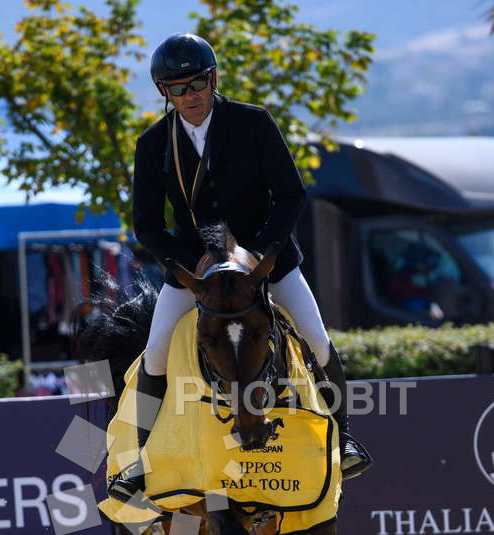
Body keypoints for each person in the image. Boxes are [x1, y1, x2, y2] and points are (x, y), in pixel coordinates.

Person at [109, 33, 371, 501]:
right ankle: (141, 461)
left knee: (315, 338)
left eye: (196, 84)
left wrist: (262, 253)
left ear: (212, 79)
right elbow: (146, 225)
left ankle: (344, 438)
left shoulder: (252, 122)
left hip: (266, 261)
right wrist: (188, 266)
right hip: (198, 269)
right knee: (156, 350)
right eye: (177, 88)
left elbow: (290, 194)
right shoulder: (153, 144)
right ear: (164, 92)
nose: (189, 96)